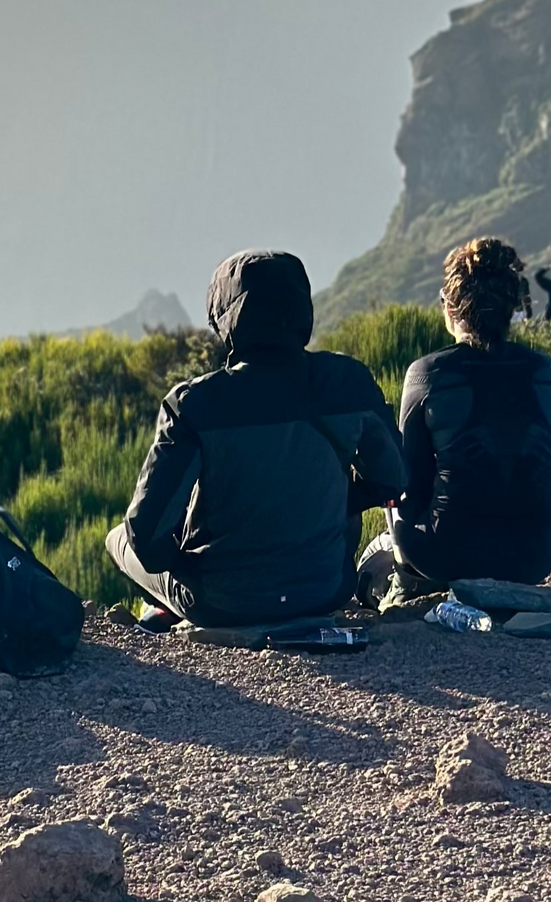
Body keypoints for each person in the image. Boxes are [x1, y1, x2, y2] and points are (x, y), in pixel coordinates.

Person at [106, 249, 404, 626]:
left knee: (118, 538)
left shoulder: (193, 404)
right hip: (325, 591)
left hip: (222, 604)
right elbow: (392, 478)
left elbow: (146, 540)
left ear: (223, 318)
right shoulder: (348, 382)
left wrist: (187, 567)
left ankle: (171, 607)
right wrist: (339, 500)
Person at [359, 236, 551, 600]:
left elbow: (409, 480)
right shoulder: (544, 372)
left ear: (449, 308)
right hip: (534, 558)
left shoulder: (428, 373)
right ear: (512, 307)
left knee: (393, 495)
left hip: (443, 556)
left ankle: (401, 585)